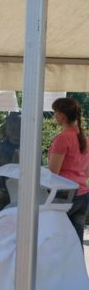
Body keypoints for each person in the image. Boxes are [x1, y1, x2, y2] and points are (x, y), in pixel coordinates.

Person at [48, 97, 89, 244]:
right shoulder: (85, 138)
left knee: (56, 240)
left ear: (62, 115)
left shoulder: (63, 138)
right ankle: (77, 267)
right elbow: (87, 171)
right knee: (76, 241)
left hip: (65, 193)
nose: (55, 116)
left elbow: (53, 172)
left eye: (55, 113)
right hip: (83, 193)